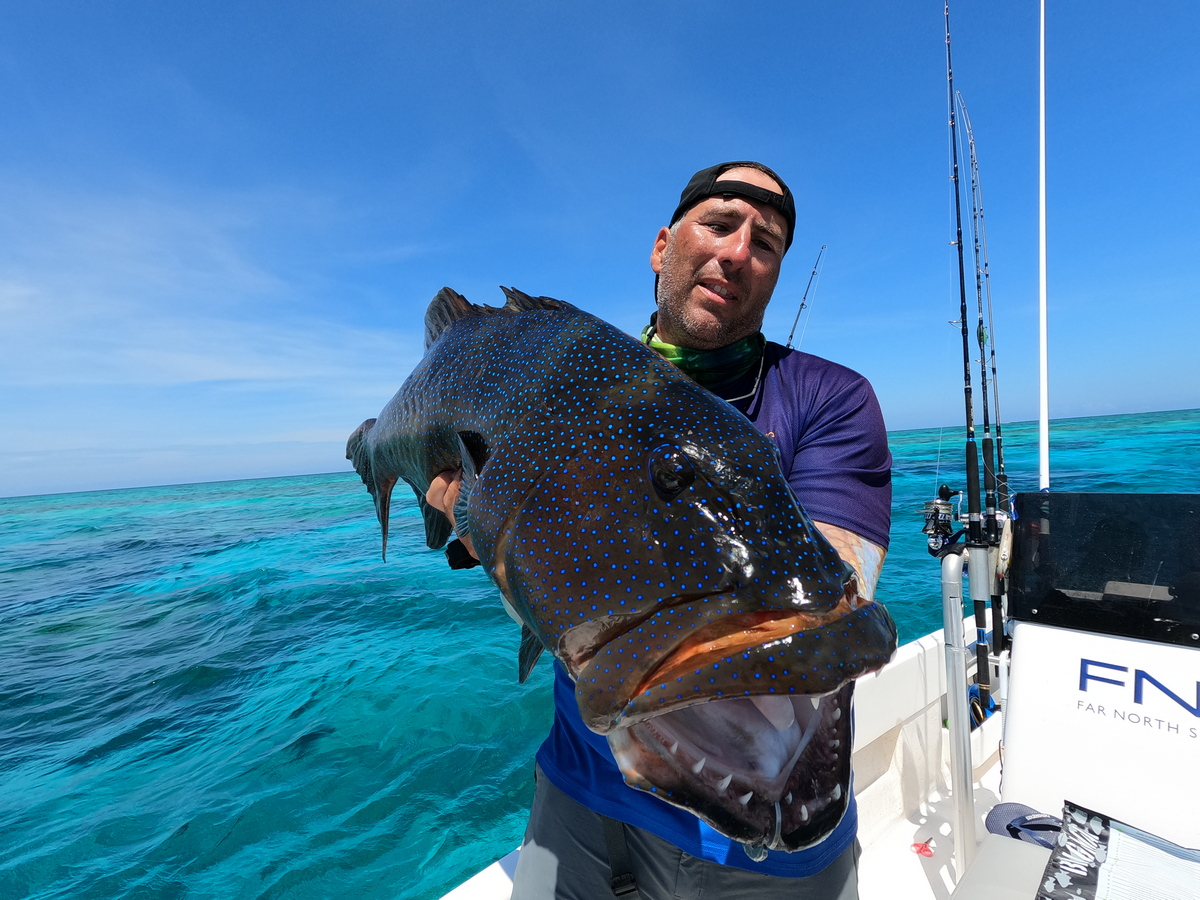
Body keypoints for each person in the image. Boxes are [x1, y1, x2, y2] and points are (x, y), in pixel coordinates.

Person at [427, 162, 892, 899]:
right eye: (719, 224)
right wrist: (482, 536)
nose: (738, 252)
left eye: (765, 243)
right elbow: (546, 579)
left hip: (765, 848)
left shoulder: (831, 399)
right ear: (662, 244)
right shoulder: (566, 377)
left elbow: (819, 615)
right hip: (580, 797)